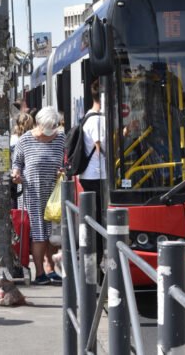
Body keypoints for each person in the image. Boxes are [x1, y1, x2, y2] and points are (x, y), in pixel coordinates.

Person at [12, 106, 65, 285]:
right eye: (47, 127)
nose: (50, 131)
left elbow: (67, 161)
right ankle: (40, 272)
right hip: (32, 193)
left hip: (54, 193)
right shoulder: (25, 140)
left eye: (53, 126)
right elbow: (17, 163)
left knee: (53, 234)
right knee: (39, 233)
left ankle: (50, 268)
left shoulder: (61, 138)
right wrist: (16, 174)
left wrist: (64, 171)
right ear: (38, 123)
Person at [79, 81, 106, 265]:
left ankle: (94, 257)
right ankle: (96, 258)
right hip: (97, 174)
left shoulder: (88, 116)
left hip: (90, 174)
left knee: (94, 216)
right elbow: (101, 148)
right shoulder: (97, 119)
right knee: (99, 218)